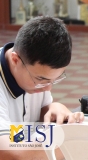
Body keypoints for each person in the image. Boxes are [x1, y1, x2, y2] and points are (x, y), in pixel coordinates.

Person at [0, 16, 83, 159]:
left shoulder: (33, 77)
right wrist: (79, 141)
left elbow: (29, 125)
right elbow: (11, 154)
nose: (47, 89)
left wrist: (52, 108)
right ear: (15, 60)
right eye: (41, 79)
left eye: (55, 79)